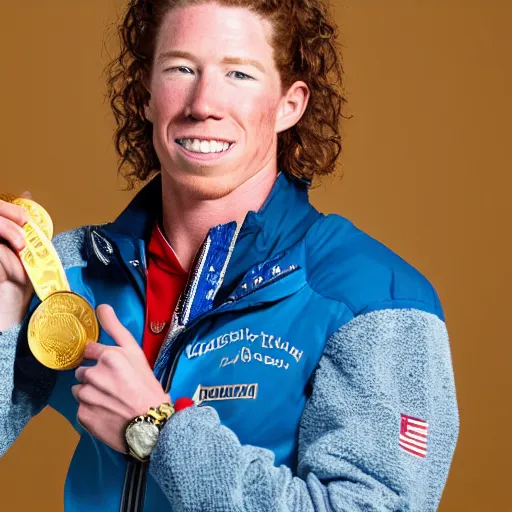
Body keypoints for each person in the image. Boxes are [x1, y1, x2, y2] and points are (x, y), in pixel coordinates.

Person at [0, 0, 459, 511]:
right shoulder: (71, 271)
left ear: (290, 103)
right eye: (181, 68)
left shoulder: (373, 301)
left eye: (239, 72)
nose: (204, 103)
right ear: (148, 93)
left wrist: (157, 433)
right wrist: (2, 314)